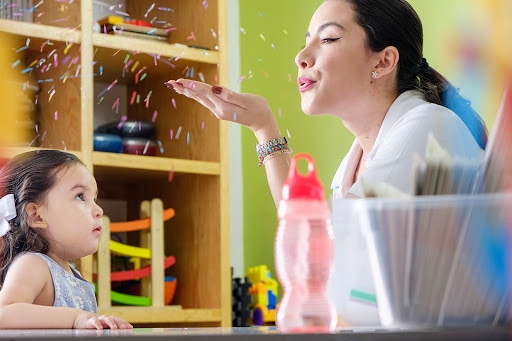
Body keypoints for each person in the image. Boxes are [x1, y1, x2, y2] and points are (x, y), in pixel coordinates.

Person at [166, 0, 487, 204]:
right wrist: (262, 125)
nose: (300, 57)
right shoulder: (362, 155)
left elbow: (327, 264)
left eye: (328, 39)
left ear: (383, 61)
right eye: (306, 41)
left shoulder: (426, 131)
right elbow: (309, 245)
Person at [0, 150, 133, 330]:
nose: (99, 210)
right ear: (37, 216)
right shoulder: (33, 264)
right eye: (80, 196)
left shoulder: (70, 272)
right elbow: (4, 313)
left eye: (94, 199)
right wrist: (76, 318)